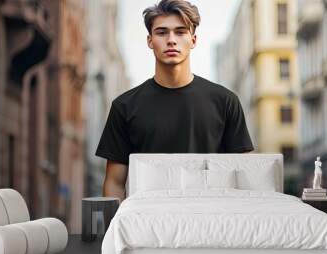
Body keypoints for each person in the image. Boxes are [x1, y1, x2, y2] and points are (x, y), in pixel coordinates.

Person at [95, 0, 254, 202]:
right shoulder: (124, 106)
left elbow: (245, 178)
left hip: (211, 223)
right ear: (150, 40)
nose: (171, 40)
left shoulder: (226, 101)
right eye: (162, 32)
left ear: (193, 40)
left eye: (180, 32)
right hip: (147, 224)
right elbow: (115, 183)